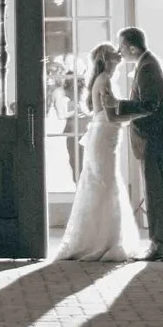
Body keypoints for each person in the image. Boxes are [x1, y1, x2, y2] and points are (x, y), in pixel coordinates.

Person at [49, 44, 143, 261]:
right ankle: (103, 242)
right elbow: (111, 116)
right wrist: (137, 115)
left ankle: (102, 238)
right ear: (107, 59)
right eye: (115, 55)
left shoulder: (103, 79)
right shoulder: (105, 80)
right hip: (104, 138)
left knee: (104, 184)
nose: (119, 56)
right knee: (106, 184)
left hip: (106, 137)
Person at [111, 26, 163, 261]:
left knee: (155, 194)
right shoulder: (146, 64)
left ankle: (160, 246)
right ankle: (159, 244)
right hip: (154, 141)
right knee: (154, 193)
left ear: (131, 47)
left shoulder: (148, 67)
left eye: (121, 47)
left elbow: (151, 105)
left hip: (155, 140)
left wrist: (119, 105)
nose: (119, 52)